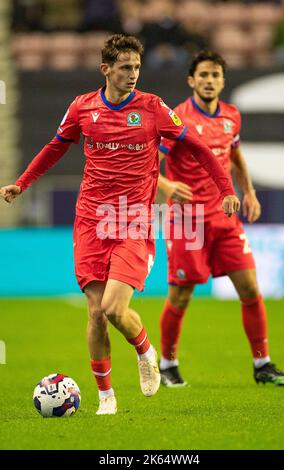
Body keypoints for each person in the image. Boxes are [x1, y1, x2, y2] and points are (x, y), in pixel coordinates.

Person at [0, 36, 240, 415]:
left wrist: (226, 188)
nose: (133, 75)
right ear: (106, 69)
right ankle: (106, 398)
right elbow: (55, 146)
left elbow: (197, 147)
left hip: (133, 219)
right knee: (95, 312)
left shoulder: (153, 108)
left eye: (137, 68)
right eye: (125, 68)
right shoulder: (82, 107)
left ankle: (145, 350)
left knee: (114, 308)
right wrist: (22, 183)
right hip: (90, 221)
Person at [158, 50, 284, 388]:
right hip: (187, 221)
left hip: (225, 217)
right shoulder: (176, 118)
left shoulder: (231, 116)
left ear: (222, 81)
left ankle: (262, 364)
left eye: (215, 75)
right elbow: (148, 159)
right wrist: (165, 185)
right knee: (181, 296)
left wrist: (248, 191)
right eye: (203, 75)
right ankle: (167, 364)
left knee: (250, 288)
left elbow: (235, 154)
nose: (209, 81)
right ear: (191, 80)